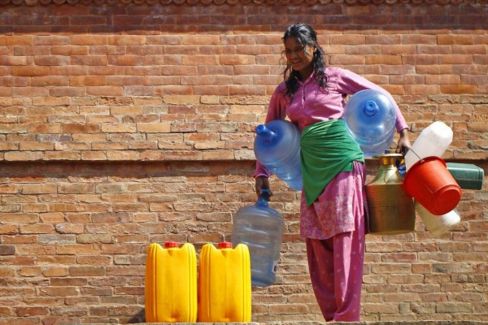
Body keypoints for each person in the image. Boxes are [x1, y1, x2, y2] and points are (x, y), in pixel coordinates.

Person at [254, 23, 411, 322]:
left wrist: (403, 131)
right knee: (317, 245)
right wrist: (261, 174)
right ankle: (333, 316)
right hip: (311, 172)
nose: (294, 56)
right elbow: (268, 132)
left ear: (313, 46)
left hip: (343, 165)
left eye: (299, 49)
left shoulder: (335, 77)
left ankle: (347, 317)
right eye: (288, 51)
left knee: (346, 241)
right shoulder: (284, 92)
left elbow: (382, 97)